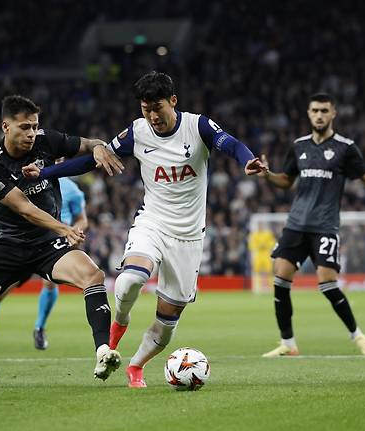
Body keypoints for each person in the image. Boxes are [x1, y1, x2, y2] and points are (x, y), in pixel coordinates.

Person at [23, 71, 265, 388]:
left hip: (189, 237)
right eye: (145, 108)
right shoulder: (138, 132)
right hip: (152, 222)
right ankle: (115, 335)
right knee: (130, 279)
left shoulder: (197, 126)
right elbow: (95, 160)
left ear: (173, 101)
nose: (152, 116)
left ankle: (135, 367)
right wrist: (47, 172)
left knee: (167, 321)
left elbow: (229, 143)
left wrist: (247, 160)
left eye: (158, 108)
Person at [0, 95, 124, 389]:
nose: (31, 133)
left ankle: (103, 351)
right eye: (24, 127)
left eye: (35, 126)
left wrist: (100, 147)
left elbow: (89, 143)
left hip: (47, 243)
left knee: (93, 275)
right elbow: (24, 207)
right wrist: (64, 227)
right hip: (9, 245)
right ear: (5, 126)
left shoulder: (45, 141)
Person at [258, 93, 365, 358]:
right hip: (296, 224)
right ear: (308, 112)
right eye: (315, 110)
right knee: (280, 278)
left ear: (333, 114)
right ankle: (288, 344)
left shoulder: (345, 148)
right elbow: (286, 180)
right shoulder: (298, 146)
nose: (319, 115)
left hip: (324, 226)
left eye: (324, 111)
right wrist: (268, 175)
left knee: (327, 282)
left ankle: (358, 337)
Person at [0, 176, 88, 351]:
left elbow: (82, 219)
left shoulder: (72, 189)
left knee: (50, 282)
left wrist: (74, 230)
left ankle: (39, 328)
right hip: (23, 242)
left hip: (54, 243)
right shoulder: (25, 179)